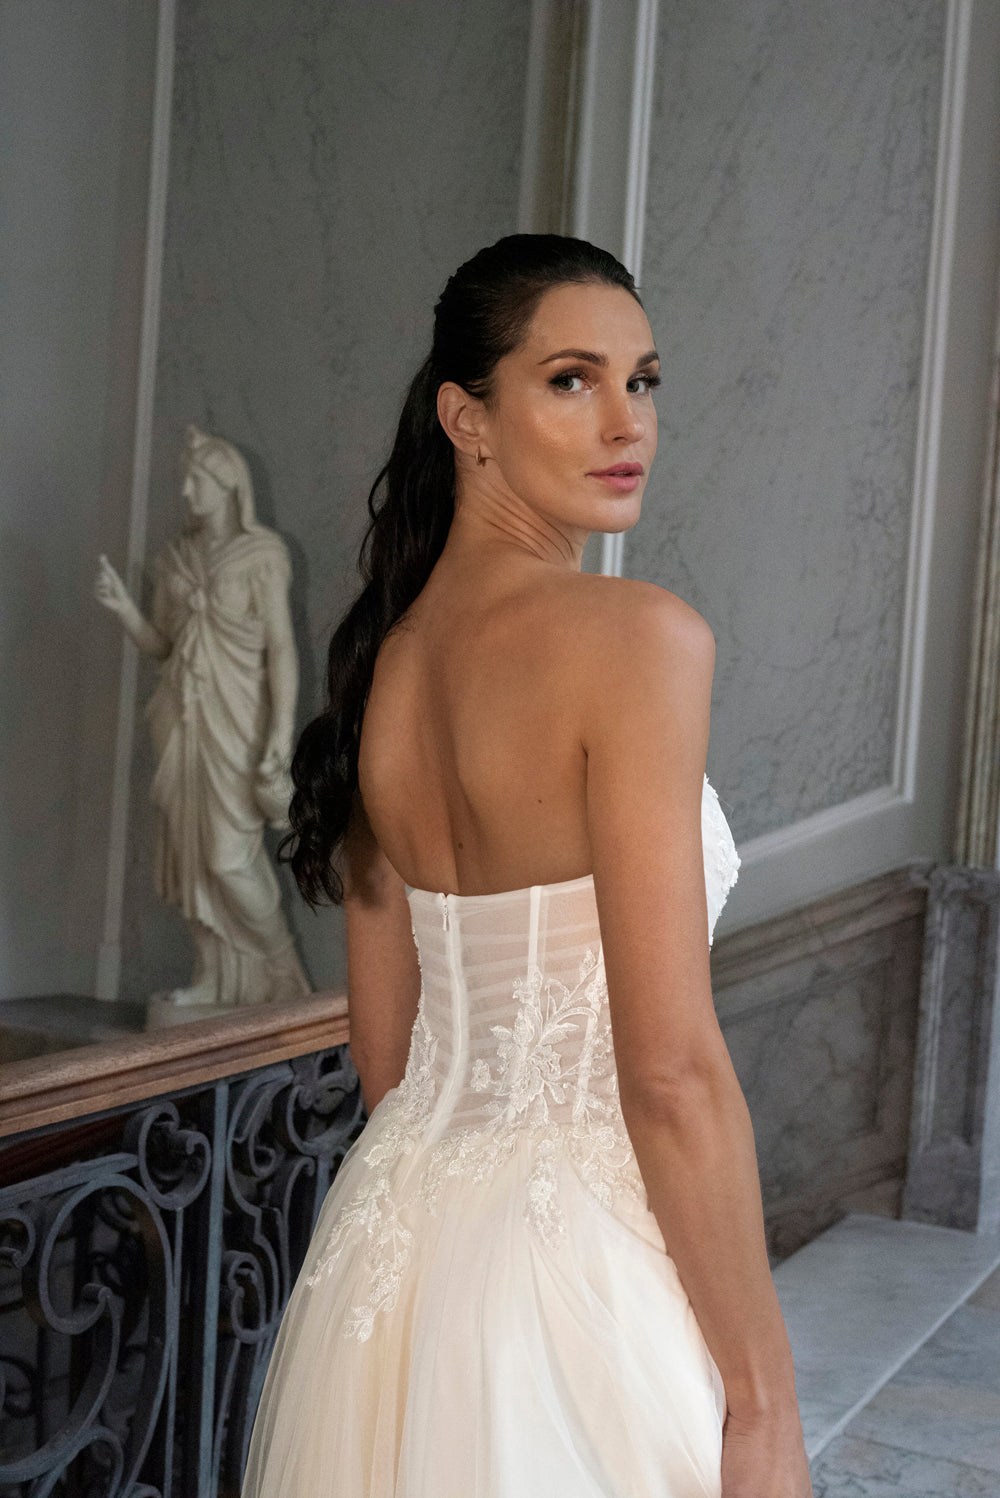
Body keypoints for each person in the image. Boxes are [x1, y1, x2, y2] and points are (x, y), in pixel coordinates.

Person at [242, 235, 813, 1496]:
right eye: (570, 380)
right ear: (468, 419)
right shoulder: (639, 640)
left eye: (642, 380)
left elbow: (387, 1061)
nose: (626, 422)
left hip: (394, 1262)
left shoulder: (385, 667)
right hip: (576, 1275)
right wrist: (764, 1402)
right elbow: (669, 1072)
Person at [95, 427, 310, 1010]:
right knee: (190, 857)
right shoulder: (176, 559)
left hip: (237, 722)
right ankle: (213, 976)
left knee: (227, 856)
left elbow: (280, 649)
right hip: (180, 719)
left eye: (197, 480)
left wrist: (281, 730)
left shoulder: (261, 556)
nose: (187, 492)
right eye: (184, 481)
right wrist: (126, 611)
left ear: (228, 484)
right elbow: (164, 646)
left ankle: (280, 969)